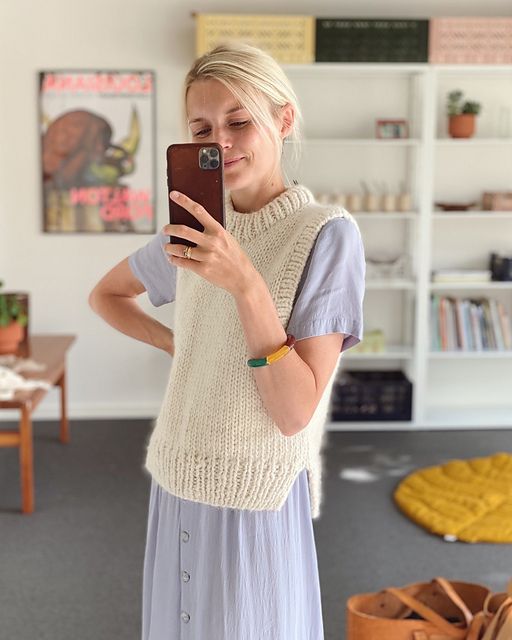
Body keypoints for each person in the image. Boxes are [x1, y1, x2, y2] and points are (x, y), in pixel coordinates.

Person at [89, 41, 365, 640]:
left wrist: (246, 285)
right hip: (179, 474)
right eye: (202, 129)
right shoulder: (194, 230)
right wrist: (179, 346)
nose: (221, 142)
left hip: (256, 492)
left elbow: (293, 412)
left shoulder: (326, 236)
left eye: (239, 121)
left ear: (283, 119)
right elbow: (106, 295)